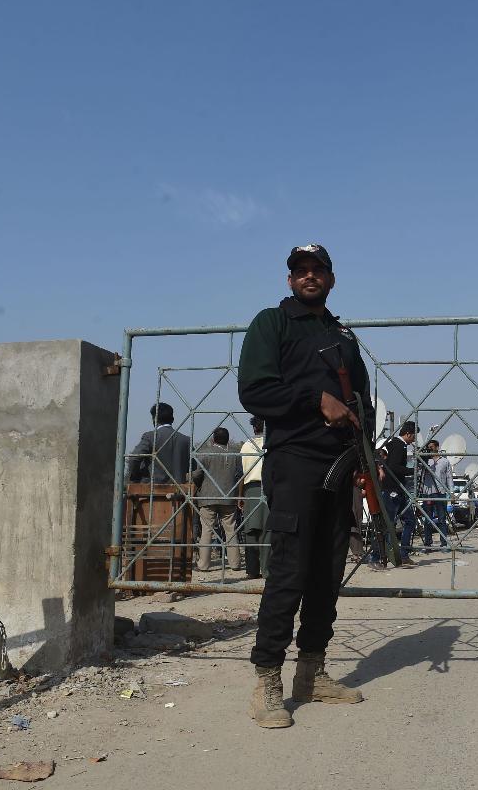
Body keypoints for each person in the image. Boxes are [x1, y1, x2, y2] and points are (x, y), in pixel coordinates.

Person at [237, 243, 370, 729]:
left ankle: (311, 672)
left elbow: (360, 397)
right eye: (301, 271)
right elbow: (254, 389)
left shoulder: (341, 333)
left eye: (319, 270)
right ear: (290, 279)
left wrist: (365, 452)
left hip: (340, 463)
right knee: (290, 569)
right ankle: (267, 680)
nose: (310, 277)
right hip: (294, 461)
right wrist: (317, 400)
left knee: (327, 571)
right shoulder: (271, 324)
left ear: (331, 279)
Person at [192, 427, 243, 571]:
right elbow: (240, 475)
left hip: (208, 497)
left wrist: (198, 484)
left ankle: (204, 564)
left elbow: (197, 475)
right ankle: (235, 564)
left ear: (213, 439)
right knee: (231, 530)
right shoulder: (235, 454)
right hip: (229, 498)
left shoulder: (204, 453)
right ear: (228, 439)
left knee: (207, 530)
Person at [381, 421, 420, 559]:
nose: (414, 439)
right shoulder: (398, 446)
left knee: (410, 521)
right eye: (413, 436)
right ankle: (377, 556)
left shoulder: (398, 445)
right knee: (388, 525)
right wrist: (412, 470)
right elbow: (393, 467)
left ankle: (404, 555)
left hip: (398, 489)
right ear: (408, 433)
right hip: (392, 489)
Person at [128, 402, 192, 485]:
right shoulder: (186, 440)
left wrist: (136, 477)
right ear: (172, 419)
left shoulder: (150, 437)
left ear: (154, 419)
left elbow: (134, 458)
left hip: (152, 490)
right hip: (179, 491)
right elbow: (193, 468)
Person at [239, 417, 270, 578]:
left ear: (254, 429)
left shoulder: (246, 445)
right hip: (268, 488)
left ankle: (252, 570)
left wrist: (240, 496)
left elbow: (241, 474)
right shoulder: (271, 444)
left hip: (250, 489)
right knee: (267, 530)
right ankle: (266, 570)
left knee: (250, 530)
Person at [418, 439, 451, 548]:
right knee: (427, 519)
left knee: (442, 518)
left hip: (440, 492)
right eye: (429, 447)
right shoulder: (426, 460)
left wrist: (451, 492)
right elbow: (418, 473)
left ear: (437, 447)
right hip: (428, 492)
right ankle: (428, 544)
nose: (430, 449)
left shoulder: (445, 462)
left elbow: (449, 477)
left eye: (432, 447)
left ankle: (443, 543)